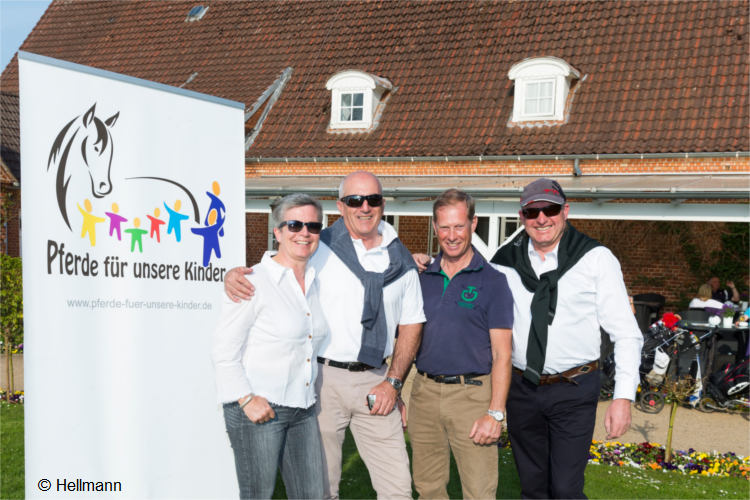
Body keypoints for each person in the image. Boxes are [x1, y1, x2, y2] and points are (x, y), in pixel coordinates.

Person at [414, 179, 643, 499]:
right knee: (533, 488)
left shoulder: (596, 259)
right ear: (522, 217)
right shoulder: (504, 262)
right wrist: (424, 262)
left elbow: (627, 334)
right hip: (523, 391)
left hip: (574, 389)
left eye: (549, 209)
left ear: (565, 211)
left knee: (565, 489)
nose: (541, 218)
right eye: (532, 211)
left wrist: (622, 398)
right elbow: (465, 284)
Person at [224, 171, 425, 500]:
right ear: (340, 206)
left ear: (383, 204)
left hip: (377, 381)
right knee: (319, 489)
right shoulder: (320, 246)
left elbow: (412, 323)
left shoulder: (401, 258)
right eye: (354, 200)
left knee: (398, 490)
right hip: (322, 380)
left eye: (372, 199)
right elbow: (277, 272)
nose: (364, 207)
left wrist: (395, 381)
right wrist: (233, 275)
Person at [212, 193, 328, 499]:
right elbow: (224, 350)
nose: (305, 232)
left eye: (313, 226)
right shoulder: (254, 281)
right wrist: (246, 399)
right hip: (260, 409)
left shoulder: (316, 281)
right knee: (258, 495)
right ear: (277, 232)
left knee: (312, 495)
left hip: (302, 408)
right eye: (294, 224)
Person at [409, 189, 513, 499]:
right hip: (424, 394)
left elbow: (502, 354)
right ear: (434, 227)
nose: (451, 235)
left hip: (472, 398)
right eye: (444, 227)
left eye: (459, 226)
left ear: (473, 224)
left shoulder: (493, 281)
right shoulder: (420, 277)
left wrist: (495, 413)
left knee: (479, 491)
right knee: (427, 489)